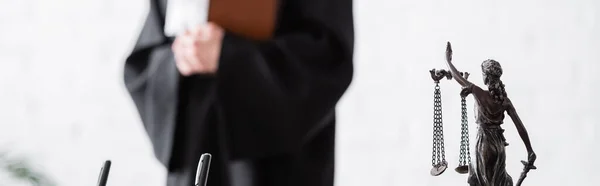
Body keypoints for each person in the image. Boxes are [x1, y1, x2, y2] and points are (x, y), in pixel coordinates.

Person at [122, 0, 354, 185]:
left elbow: (328, 58)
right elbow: (145, 59)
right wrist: (181, 56)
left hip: (274, 161)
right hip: (194, 142)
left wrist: (229, 56)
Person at [443, 43, 536, 186]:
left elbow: (456, 76)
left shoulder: (479, 93)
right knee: (498, 181)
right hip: (499, 146)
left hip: (484, 144)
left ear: (486, 77)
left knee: (479, 181)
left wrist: (447, 60)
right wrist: (530, 150)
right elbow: (520, 127)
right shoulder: (505, 101)